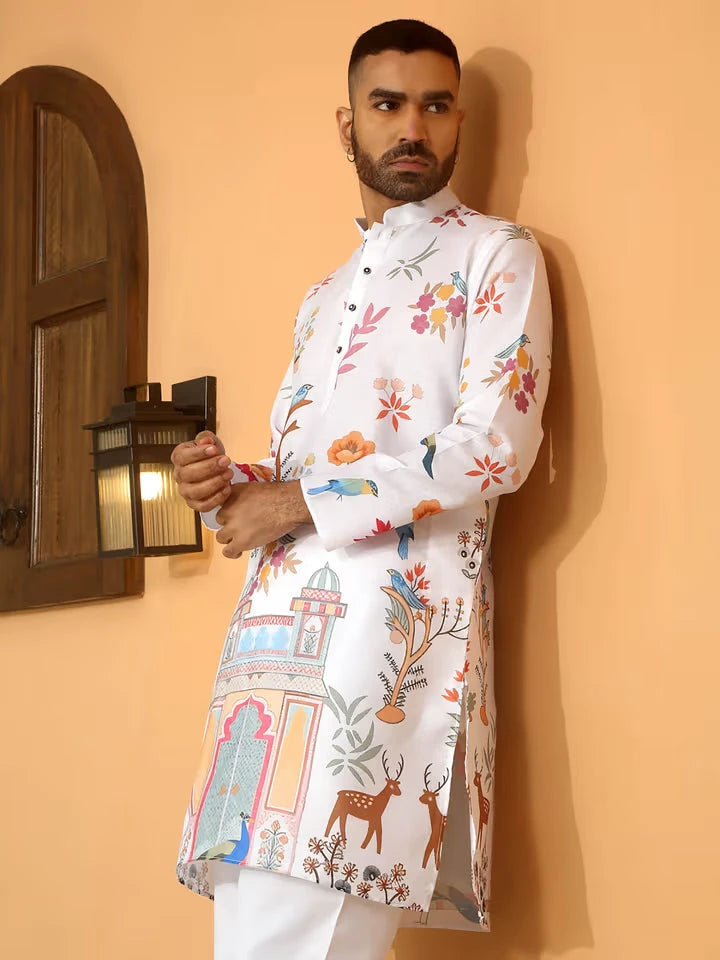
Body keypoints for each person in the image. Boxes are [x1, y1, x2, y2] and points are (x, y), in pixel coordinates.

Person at [171, 18, 552, 960]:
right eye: (387, 105)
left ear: (460, 119)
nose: (411, 127)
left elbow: (495, 447)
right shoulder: (323, 294)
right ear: (347, 126)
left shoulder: (496, 257)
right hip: (270, 654)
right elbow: (303, 468)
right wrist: (233, 482)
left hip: (386, 652)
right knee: (251, 932)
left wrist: (291, 503)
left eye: (434, 104)